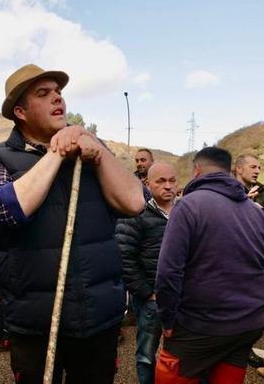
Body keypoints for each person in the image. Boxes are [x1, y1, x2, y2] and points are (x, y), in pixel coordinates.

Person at [0, 64, 144, 383]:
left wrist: (97, 151)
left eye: (59, 92)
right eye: (44, 94)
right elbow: (7, 209)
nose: (58, 99)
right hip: (35, 322)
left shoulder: (93, 150)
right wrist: (56, 152)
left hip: (99, 317)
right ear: (21, 112)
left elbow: (135, 202)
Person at [154, 147, 264, 384]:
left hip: (200, 326)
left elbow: (168, 272)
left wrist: (167, 320)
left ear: (197, 170)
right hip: (247, 325)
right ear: (228, 171)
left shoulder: (188, 205)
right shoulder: (255, 212)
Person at [115, 162, 178, 384]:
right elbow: (124, 257)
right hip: (152, 300)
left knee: (180, 356)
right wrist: (146, 293)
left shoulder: (186, 211)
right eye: (161, 181)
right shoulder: (136, 213)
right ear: (147, 183)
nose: (168, 186)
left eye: (172, 180)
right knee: (146, 356)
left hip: (183, 300)